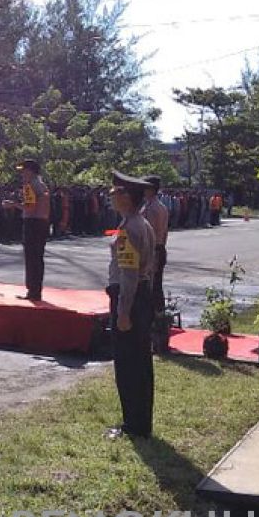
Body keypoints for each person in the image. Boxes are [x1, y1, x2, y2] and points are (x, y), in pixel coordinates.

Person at [106, 170, 157, 440]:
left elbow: (128, 274)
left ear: (127, 197)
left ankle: (133, 425)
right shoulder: (142, 223)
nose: (111, 195)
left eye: (115, 191)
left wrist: (123, 311)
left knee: (128, 364)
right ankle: (140, 422)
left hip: (130, 298)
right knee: (140, 362)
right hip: (142, 295)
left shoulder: (129, 228)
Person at [6, 159, 50, 301]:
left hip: (32, 223)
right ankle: (36, 291)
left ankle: (33, 291)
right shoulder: (42, 184)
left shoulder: (30, 185)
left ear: (30, 171)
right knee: (38, 258)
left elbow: (29, 207)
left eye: (23, 170)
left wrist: (13, 204)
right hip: (42, 222)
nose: (22, 174)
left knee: (31, 258)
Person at [142, 175, 170, 316]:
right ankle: (158, 316)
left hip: (153, 250)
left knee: (153, 287)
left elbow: (151, 233)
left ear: (151, 189)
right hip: (159, 248)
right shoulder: (158, 206)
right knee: (155, 286)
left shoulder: (153, 208)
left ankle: (156, 318)